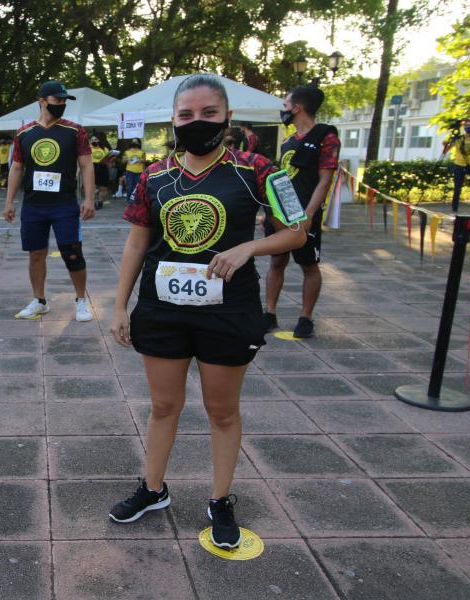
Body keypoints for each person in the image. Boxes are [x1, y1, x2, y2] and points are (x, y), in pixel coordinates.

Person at [108, 74, 306, 549]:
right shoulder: (153, 175)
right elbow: (138, 241)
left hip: (228, 309)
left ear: (227, 117)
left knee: (221, 410)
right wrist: (120, 304)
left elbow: (297, 232)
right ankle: (153, 489)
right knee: (162, 406)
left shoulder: (260, 169)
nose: (197, 122)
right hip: (162, 308)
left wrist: (249, 248)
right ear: (173, 120)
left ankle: (220, 499)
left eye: (208, 113)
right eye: (186, 115)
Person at [3, 80, 96, 322]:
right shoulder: (24, 133)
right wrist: (9, 201)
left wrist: (88, 198)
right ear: (42, 102)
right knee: (36, 254)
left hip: (65, 204)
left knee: (73, 253)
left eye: (65, 100)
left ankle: (81, 300)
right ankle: (39, 300)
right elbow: (16, 168)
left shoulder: (75, 131)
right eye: (58, 100)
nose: (62, 104)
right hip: (34, 206)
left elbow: (86, 166)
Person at [263, 85, 340, 339]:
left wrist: (309, 214)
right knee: (276, 261)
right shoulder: (288, 141)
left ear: (298, 107)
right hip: (281, 211)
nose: (284, 111)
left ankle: (305, 317)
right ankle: (270, 313)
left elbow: (324, 180)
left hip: (305, 211)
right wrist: (270, 211)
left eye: (285, 106)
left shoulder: (325, 137)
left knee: (309, 265)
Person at [90, 135, 114, 209]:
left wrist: (111, 159)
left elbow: (109, 159)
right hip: (92, 167)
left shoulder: (104, 149)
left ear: (98, 140)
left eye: (95, 139)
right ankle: (93, 203)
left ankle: (100, 202)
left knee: (103, 187)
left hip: (103, 167)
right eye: (92, 140)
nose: (94, 141)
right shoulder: (88, 148)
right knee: (92, 187)